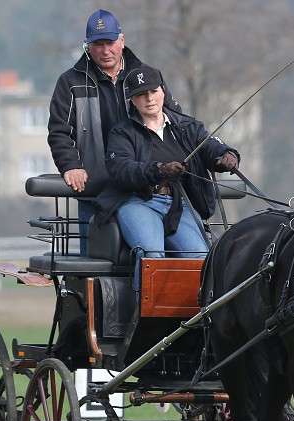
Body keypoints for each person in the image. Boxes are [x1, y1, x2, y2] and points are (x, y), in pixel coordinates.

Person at [47, 9, 180, 255]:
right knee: (96, 270)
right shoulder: (70, 82)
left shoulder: (146, 76)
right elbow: (59, 131)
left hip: (148, 189)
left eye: (110, 42)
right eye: (98, 44)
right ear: (87, 45)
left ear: (122, 40)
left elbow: (174, 120)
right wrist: (70, 165)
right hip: (97, 191)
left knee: (167, 262)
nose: (105, 50)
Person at [98, 65, 239, 286]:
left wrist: (227, 155)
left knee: (202, 260)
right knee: (152, 257)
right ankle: (144, 319)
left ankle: (198, 319)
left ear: (163, 91)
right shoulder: (122, 132)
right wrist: (159, 170)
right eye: (141, 95)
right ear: (132, 101)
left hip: (178, 206)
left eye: (153, 91)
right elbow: (121, 170)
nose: (149, 99)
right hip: (138, 202)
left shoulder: (187, 126)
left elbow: (210, 146)